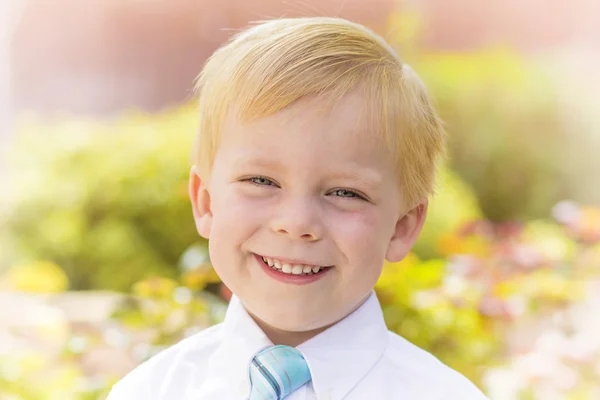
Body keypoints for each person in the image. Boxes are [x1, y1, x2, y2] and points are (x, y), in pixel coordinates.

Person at [107, 16, 489, 400]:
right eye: (261, 181)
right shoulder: (148, 391)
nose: (296, 223)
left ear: (401, 226)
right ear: (206, 201)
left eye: (345, 193)